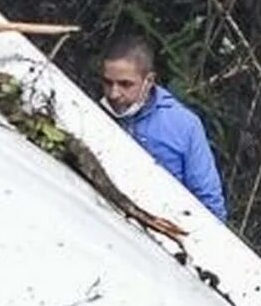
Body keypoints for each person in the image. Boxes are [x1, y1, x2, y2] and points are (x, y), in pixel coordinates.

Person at [96, 35, 229, 222]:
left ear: (148, 81)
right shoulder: (90, 110)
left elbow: (210, 202)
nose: (114, 94)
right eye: (108, 83)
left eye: (125, 84)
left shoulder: (183, 125)